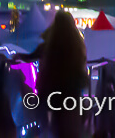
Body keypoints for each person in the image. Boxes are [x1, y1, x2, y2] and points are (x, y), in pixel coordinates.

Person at [37, 10, 88, 138]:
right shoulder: (77, 45)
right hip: (72, 92)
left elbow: (37, 55)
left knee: (55, 128)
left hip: (53, 92)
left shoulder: (51, 45)